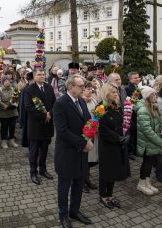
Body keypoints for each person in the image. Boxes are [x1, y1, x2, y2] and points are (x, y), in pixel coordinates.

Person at [53, 75, 93, 228]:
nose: (84, 88)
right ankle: (63, 216)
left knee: (78, 183)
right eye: (81, 86)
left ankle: (74, 211)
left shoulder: (81, 100)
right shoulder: (60, 104)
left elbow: (88, 121)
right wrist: (83, 143)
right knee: (64, 186)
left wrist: (90, 138)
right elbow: (62, 131)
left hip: (81, 153)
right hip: (67, 153)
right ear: (71, 87)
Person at [98, 83, 130, 209]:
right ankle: (103, 196)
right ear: (106, 94)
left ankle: (110, 195)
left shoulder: (117, 107)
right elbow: (101, 127)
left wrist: (126, 135)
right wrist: (117, 138)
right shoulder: (101, 107)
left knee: (114, 171)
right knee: (106, 171)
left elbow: (124, 122)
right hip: (108, 145)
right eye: (113, 93)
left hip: (118, 144)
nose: (117, 95)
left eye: (117, 92)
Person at [24, 68, 56, 185]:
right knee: (34, 151)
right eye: (39, 74)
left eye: (43, 74)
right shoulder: (29, 90)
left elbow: (54, 103)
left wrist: (50, 114)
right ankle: (33, 172)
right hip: (35, 126)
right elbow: (29, 108)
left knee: (45, 150)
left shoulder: (49, 87)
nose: (42, 76)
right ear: (34, 76)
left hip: (47, 126)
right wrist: (44, 116)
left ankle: (43, 170)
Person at [135, 86, 162, 195]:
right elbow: (146, 130)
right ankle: (141, 183)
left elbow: (159, 122)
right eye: (152, 95)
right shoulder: (143, 109)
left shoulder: (153, 106)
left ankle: (147, 182)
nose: (155, 96)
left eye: (155, 94)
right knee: (146, 163)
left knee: (150, 162)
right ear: (146, 97)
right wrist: (159, 141)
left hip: (152, 141)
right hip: (147, 142)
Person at [81, 81, 98, 193]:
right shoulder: (80, 102)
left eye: (91, 89)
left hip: (92, 133)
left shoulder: (94, 101)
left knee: (89, 159)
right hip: (82, 134)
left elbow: (96, 115)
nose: (90, 91)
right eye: (87, 89)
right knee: (82, 159)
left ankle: (87, 178)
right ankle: (82, 182)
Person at [0, 76, 19, 149]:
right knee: (4, 127)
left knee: (12, 127)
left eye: (8, 81)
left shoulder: (12, 89)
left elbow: (15, 98)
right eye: (5, 81)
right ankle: (3, 142)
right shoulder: (0, 90)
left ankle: (12, 140)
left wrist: (15, 103)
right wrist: (4, 106)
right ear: (3, 82)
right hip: (4, 112)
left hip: (13, 111)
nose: (7, 82)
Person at [125, 72, 140, 160]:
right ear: (130, 79)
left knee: (135, 132)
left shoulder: (137, 87)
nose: (137, 79)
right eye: (135, 78)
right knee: (131, 132)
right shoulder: (127, 88)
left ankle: (134, 150)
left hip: (137, 112)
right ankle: (130, 151)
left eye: (138, 77)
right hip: (131, 113)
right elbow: (129, 101)